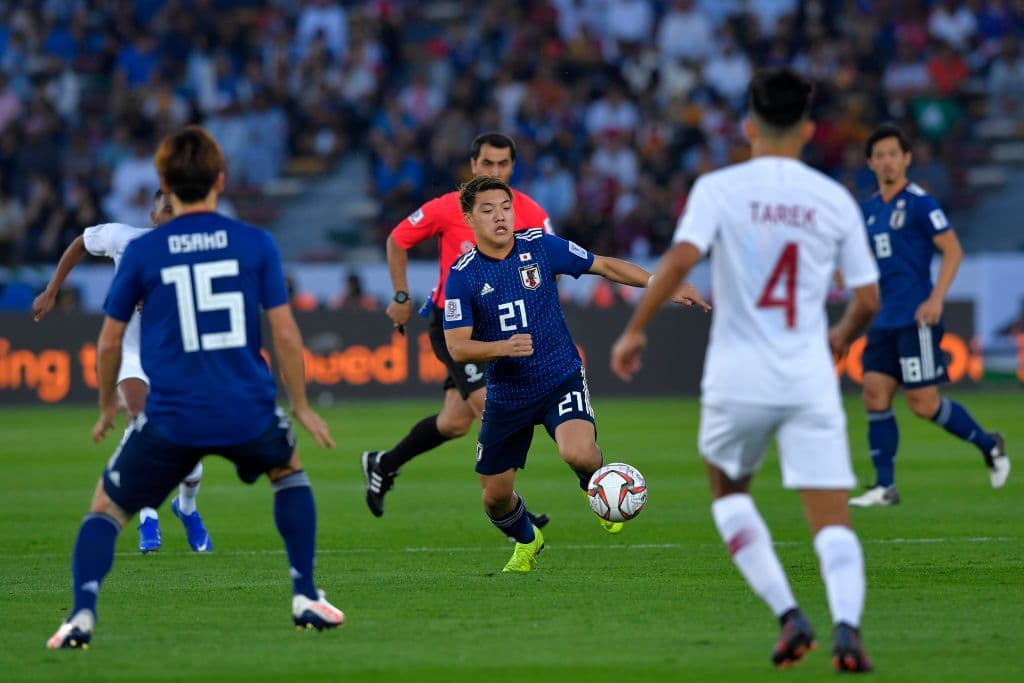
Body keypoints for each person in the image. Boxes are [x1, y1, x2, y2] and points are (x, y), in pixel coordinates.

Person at [611, 68, 880, 673]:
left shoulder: (719, 188)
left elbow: (681, 259)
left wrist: (635, 328)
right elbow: (867, 300)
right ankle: (848, 630)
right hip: (807, 373)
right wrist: (838, 338)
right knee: (831, 517)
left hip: (738, 376)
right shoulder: (832, 199)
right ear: (809, 129)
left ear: (747, 126)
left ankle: (790, 616)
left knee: (730, 492)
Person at [47, 126, 342, 650]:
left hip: (173, 412)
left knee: (105, 509)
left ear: (164, 183)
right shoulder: (256, 243)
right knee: (289, 473)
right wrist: (300, 405)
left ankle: (82, 613)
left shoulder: (142, 250)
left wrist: (103, 408)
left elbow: (110, 340)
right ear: (220, 181)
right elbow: (287, 333)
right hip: (245, 406)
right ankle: (303, 593)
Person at [444, 175, 706, 573]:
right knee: (495, 497)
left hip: (559, 376)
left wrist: (660, 285)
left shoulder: (540, 247)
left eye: (505, 207)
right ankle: (529, 540)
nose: (500, 216)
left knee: (578, 453)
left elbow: (602, 265)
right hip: (506, 393)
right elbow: (457, 346)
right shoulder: (462, 275)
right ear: (469, 218)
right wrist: (502, 347)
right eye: (488, 210)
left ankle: (596, 487)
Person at [363, 133, 553, 527]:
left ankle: (384, 463)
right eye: (487, 164)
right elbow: (398, 239)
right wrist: (401, 296)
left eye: (503, 165)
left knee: (453, 421)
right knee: (492, 407)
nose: (495, 171)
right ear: (473, 165)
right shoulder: (449, 207)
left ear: (512, 168)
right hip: (454, 326)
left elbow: (551, 267)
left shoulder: (530, 213)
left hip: (498, 329)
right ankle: (513, 512)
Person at [33, 190, 213, 554]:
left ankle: (187, 508)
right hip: (131, 355)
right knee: (140, 420)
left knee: (190, 455)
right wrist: (52, 290)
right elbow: (82, 242)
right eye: (167, 209)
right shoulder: (124, 239)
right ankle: (148, 518)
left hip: (173, 360)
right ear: (154, 216)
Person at [849, 124, 1009, 507]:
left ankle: (989, 444)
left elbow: (953, 251)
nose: (887, 161)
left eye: (893, 153)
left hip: (916, 316)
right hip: (884, 317)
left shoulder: (921, 202)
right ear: (871, 163)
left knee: (923, 404)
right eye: (880, 155)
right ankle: (884, 486)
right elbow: (868, 260)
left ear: (906, 159)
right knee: (874, 392)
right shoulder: (869, 210)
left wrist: (937, 298)